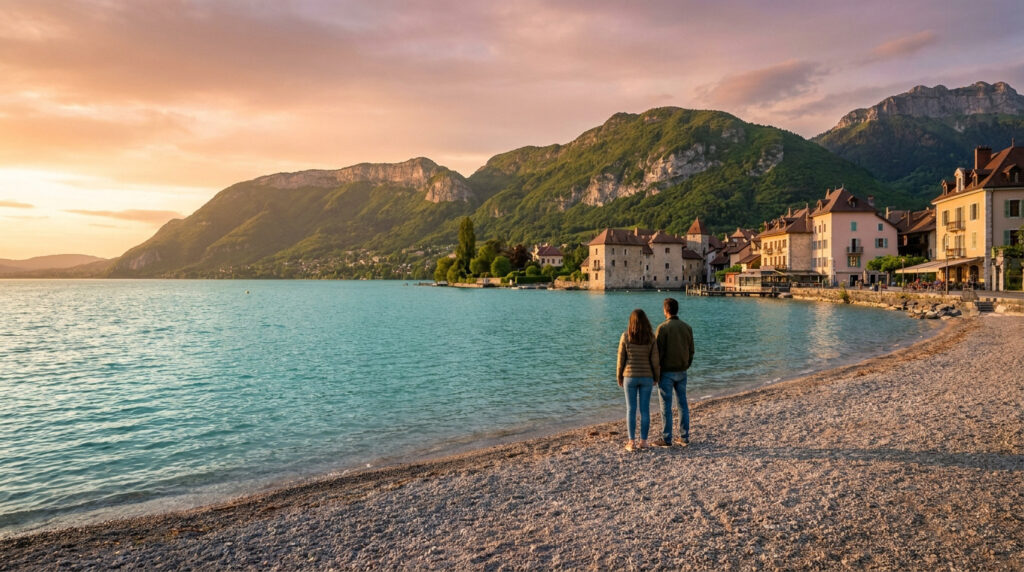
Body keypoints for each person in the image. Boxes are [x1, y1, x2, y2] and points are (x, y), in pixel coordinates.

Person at [652, 297, 695, 447]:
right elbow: (691, 351)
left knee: (666, 405)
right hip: (682, 371)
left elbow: (658, 353)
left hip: (667, 372)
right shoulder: (687, 327)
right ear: (677, 310)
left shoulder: (662, 328)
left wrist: (656, 372)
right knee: (682, 403)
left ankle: (667, 438)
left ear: (665, 310)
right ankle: (684, 436)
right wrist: (686, 365)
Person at [617, 309, 660, 451]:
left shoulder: (625, 336)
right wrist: (656, 376)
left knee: (631, 409)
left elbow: (621, 359)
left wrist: (619, 376)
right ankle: (644, 441)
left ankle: (631, 442)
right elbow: (655, 360)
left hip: (629, 376)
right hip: (647, 376)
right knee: (645, 410)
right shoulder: (651, 338)